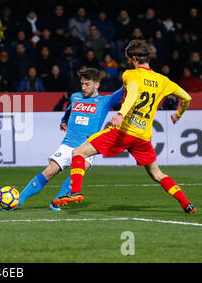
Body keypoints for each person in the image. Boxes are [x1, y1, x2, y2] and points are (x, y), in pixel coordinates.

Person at [55, 39, 196, 214]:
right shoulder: (163, 80)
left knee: (78, 152)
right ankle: (186, 204)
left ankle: (75, 191)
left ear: (135, 58)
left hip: (123, 132)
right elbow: (187, 98)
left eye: (128, 58)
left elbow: (133, 94)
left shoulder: (130, 74)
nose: (127, 61)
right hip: (142, 137)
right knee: (157, 174)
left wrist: (121, 114)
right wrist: (178, 114)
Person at [16, 67, 123, 210]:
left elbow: (126, 89)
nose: (84, 88)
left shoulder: (105, 101)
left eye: (87, 84)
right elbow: (70, 109)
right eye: (82, 84)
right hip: (68, 144)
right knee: (49, 171)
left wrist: (137, 75)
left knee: (76, 175)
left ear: (97, 84)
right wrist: (64, 119)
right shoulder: (75, 97)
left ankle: (56, 202)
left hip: (88, 147)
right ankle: (18, 201)